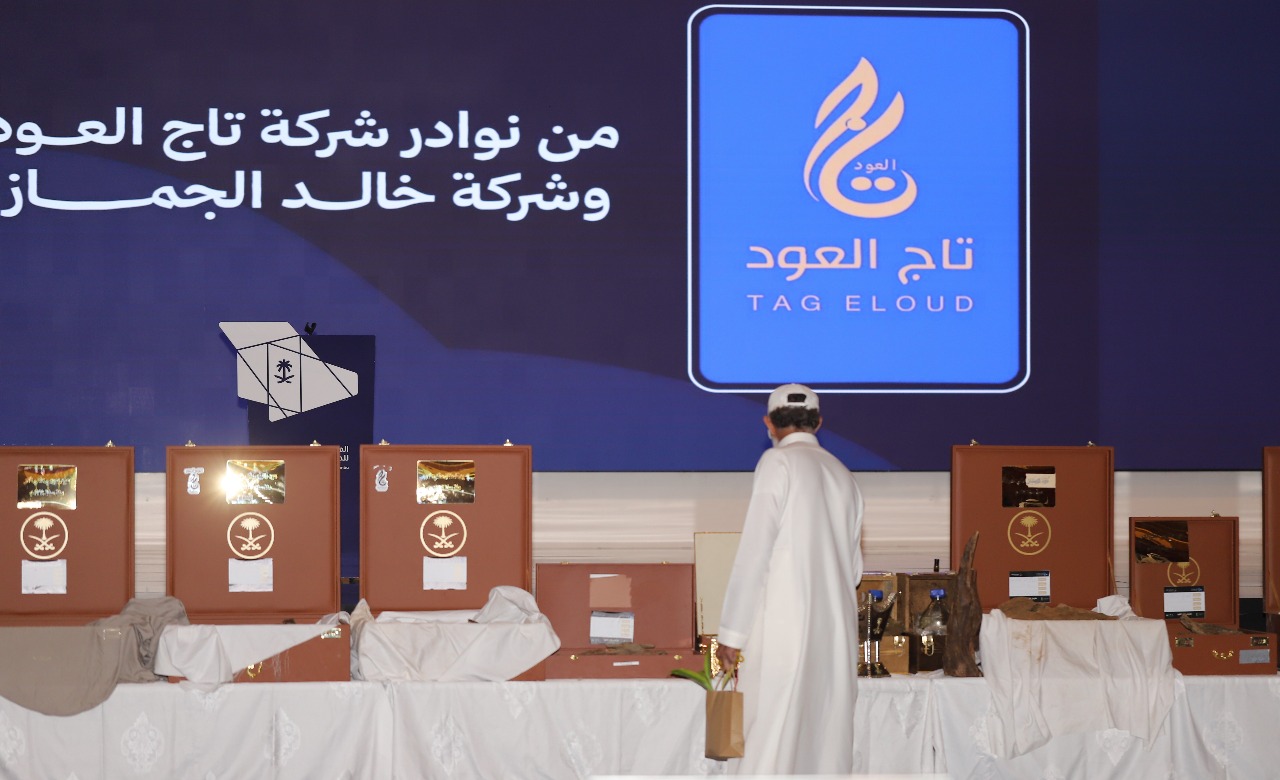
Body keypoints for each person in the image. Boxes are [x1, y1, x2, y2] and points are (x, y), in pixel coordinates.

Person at [715, 383, 865, 775]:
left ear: (769, 423)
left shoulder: (776, 463)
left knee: (768, 739)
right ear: (819, 422)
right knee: (824, 741)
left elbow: (755, 552)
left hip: (783, 632)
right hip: (834, 637)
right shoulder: (843, 474)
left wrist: (731, 634)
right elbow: (853, 570)